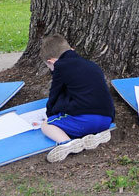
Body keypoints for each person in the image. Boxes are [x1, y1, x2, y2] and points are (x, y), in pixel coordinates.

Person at [39, 34, 115, 163]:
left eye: (50, 68)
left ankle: (67, 143)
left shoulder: (60, 67)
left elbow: (54, 95)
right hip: (106, 119)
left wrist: (50, 114)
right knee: (81, 116)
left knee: (46, 126)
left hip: (84, 120)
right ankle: (98, 134)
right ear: (72, 50)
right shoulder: (92, 65)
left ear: (51, 62)